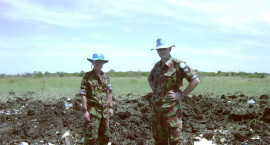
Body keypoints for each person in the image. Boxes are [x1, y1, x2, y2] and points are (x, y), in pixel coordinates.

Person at [148, 38, 200, 145]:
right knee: (159, 141)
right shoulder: (157, 66)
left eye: (164, 49)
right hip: (157, 111)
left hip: (172, 112)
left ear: (170, 49)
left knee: (175, 141)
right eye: (159, 50)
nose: (161, 52)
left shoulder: (178, 64)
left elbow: (195, 80)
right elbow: (150, 78)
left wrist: (181, 95)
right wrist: (156, 91)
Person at [79, 53, 114, 145]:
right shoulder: (87, 76)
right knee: (91, 138)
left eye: (101, 62)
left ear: (103, 63)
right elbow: (83, 94)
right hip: (92, 113)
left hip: (105, 113)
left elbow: (109, 92)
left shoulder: (106, 77)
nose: (99, 63)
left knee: (105, 137)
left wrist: (111, 107)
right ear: (92, 63)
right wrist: (85, 111)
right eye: (96, 61)